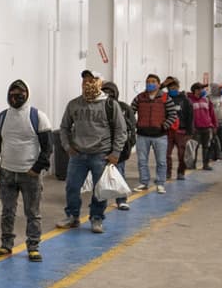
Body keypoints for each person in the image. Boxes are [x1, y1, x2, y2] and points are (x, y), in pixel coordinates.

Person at [0, 79, 52, 261]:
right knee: (7, 211)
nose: (15, 97)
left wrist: (37, 168)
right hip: (7, 172)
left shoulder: (38, 117)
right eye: (12, 93)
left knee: (33, 212)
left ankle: (33, 246)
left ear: (27, 94)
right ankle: (6, 244)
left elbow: (48, 147)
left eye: (19, 93)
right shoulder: (2, 118)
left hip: (29, 174)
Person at [56, 70, 125, 234]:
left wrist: (115, 153)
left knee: (99, 189)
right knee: (72, 187)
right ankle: (72, 216)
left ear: (100, 83)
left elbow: (121, 130)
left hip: (101, 155)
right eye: (85, 81)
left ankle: (97, 218)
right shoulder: (74, 104)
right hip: (78, 155)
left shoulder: (110, 105)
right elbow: (64, 127)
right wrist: (67, 146)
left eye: (92, 80)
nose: (87, 84)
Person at [130, 73, 177, 194]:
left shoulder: (166, 98)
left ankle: (160, 183)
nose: (150, 84)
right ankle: (144, 182)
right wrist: (136, 124)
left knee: (161, 161)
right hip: (142, 135)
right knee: (142, 161)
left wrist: (164, 126)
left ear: (158, 84)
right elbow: (130, 112)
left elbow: (173, 115)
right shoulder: (140, 97)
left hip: (160, 136)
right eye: (148, 82)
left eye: (153, 82)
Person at [101, 82, 137, 211]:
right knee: (100, 177)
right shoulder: (98, 107)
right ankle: (101, 201)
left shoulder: (124, 108)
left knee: (119, 174)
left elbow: (132, 127)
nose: (108, 95)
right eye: (105, 92)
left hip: (119, 148)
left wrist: (129, 144)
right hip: (102, 147)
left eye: (110, 92)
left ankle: (121, 200)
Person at [163, 77, 193, 181]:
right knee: (166, 154)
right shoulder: (164, 99)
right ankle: (167, 173)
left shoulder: (185, 100)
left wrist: (189, 132)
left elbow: (190, 116)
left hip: (181, 131)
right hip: (168, 131)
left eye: (175, 87)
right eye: (171, 87)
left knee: (182, 154)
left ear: (178, 87)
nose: (173, 89)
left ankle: (181, 172)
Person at [189, 83, 218, 171]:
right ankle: (192, 163)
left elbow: (212, 114)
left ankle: (206, 164)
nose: (202, 91)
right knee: (195, 147)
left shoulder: (206, 100)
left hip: (207, 127)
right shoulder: (190, 101)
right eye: (200, 89)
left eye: (203, 89)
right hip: (195, 128)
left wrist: (214, 125)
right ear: (195, 90)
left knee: (206, 147)